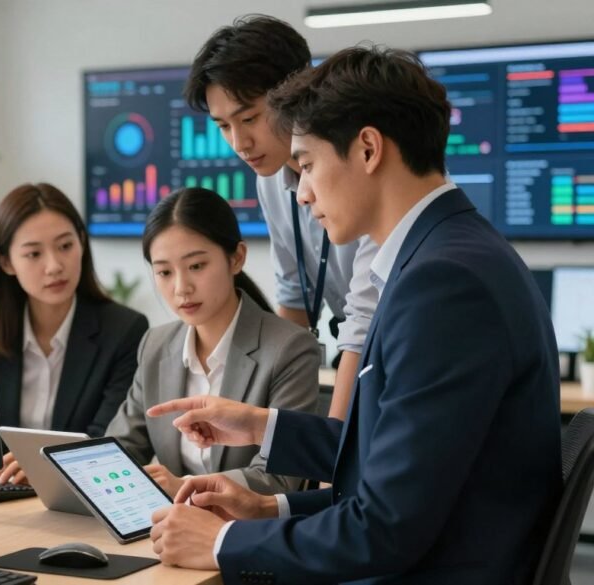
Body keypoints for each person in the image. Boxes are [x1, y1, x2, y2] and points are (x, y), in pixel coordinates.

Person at [148, 47, 562, 583]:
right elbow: (396, 466)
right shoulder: (447, 254)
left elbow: (385, 529)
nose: (303, 194)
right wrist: (263, 480)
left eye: (309, 164)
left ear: (368, 148)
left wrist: (224, 541)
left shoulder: (444, 285)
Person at [185, 15, 379, 419]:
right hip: (354, 350)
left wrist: (329, 442)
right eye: (223, 126)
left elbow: (365, 320)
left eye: (249, 118)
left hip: (391, 350)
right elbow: (294, 297)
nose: (239, 143)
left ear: (296, 92)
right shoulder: (271, 180)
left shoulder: (356, 166)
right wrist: (271, 423)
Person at [104, 187, 319, 497]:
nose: (181, 288)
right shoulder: (155, 344)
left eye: (196, 266)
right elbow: (120, 450)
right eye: (164, 272)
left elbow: (280, 479)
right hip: (168, 530)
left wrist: (185, 489)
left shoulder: (290, 349)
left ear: (236, 258)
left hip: (247, 535)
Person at [0, 183, 148, 485]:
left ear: (82, 244)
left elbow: (113, 443)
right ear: (7, 263)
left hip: (77, 497)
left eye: (65, 246)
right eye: (34, 254)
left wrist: (41, 467)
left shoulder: (124, 331)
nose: (54, 266)